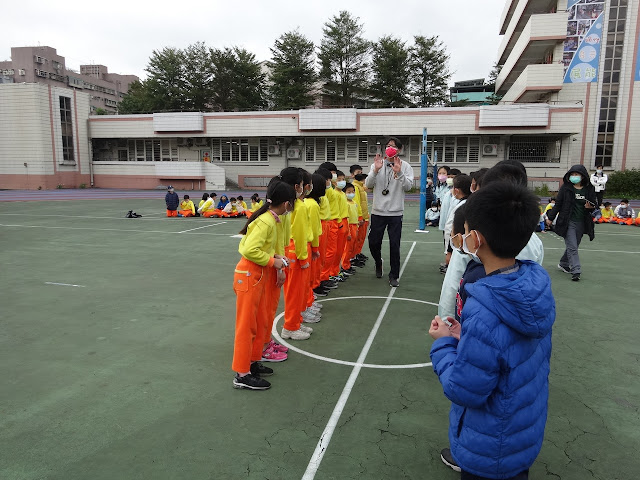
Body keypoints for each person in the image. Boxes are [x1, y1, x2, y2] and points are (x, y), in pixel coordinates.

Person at [430, 181, 556, 480]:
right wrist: (465, 336)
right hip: (521, 431)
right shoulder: (533, 285)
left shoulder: (484, 307)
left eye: (466, 232)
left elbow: (465, 389)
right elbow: (508, 349)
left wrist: (444, 344)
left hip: (489, 446)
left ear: (476, 239)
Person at [438, 159, 544, 323]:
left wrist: (447, 323)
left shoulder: (475, 239)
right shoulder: (533, 242)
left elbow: (452, 286)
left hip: (467, 325)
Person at [231, 180, 294, 390]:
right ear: (286, 203)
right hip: (249, 275)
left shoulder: (270, 219)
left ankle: (251, 362)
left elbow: (261, 247)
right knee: (246, 326)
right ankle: (242, 374)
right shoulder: (266, 221)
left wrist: (276, 256)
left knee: (257, 323)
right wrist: (272, 261)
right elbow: (249, 250)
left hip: (256, 275)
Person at [365, 137, 415, 287]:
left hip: (395, 213)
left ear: (399, 149)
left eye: (393, 146)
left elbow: (408, 187)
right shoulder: (377, 164)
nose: (389, 148)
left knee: (394, 245)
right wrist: (375, 170)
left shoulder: (405, 166)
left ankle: (394, 275)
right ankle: (378, 262)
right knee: (373, 242)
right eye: (387, 146)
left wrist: (399, 173)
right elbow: (368, 184)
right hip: (378, 211)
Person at [546, 165, 597, 281]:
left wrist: (590, 207)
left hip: (582, 222)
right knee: (572, 246)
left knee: (573, 245)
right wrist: (550, 217)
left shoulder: (589, 188)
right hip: (567, 221)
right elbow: (558, 204)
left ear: (582, 176)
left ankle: (563, 263)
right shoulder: (566, 188)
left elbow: (594, 204)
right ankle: (576, 270)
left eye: (576, 174)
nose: (574, 176)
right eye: (572, 174)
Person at [341, 182, 360, 276]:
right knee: (347, 248)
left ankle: (348, 263)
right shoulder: (345, 203)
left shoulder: (354, 203)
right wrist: (348, 231)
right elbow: (346, 218)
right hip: (349, 226)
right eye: (349, 192)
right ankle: (344, 266)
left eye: (353, 191)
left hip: (355, 226)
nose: (351, 193)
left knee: (352, 247)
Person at [352, 172, 370, 265]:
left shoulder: (361, 187)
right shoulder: (356, 187)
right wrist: (360, 217)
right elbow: (357, 203)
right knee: (356, 239)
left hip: (364, 216)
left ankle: (357, 254)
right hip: (360, 217)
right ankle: (353, 257)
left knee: (361, 238)